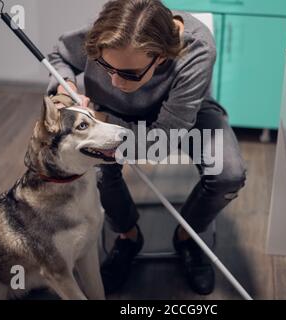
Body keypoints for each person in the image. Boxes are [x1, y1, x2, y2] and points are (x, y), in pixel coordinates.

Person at [47, 0, 247, 295]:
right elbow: (58, 57)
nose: (115, 80)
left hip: (180, 117)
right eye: (105, 66)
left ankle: (187, 237)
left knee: (228, 174)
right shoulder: (109, 32)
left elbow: (160, 141)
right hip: (110, 112)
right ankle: (128, 236)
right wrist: (64, 85)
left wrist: (102, 122)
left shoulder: (198, 49)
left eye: (129, 73)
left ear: (164, 56)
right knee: (99, 171)